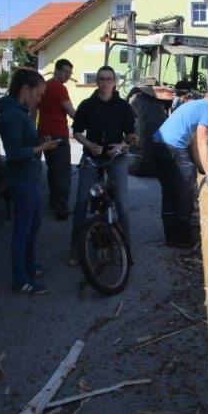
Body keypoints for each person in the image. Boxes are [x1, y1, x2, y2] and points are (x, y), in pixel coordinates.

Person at [0, 68, 58, 294]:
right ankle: (20, 279)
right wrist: (42, 147)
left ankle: (30, 266)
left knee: (34, 225)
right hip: (22, 180)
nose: (40, 99)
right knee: (23, 229)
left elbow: (24, 142)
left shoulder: (21, 111)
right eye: (38, 94)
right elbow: (13, 153)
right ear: (25, 90)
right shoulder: (13, 114)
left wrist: (39, 140)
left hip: (29, 178)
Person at [68, 65, 135, 266]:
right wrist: (88, 144)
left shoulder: (123, 106)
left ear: (115, 83)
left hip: (116, 159)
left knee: (122, 204)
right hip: (90, 159)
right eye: (101, 79)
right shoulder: (87, 105)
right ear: (96, 82)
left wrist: (121, 145)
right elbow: (77, 130)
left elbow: (132, 135)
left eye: (109, 79)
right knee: (81, 202)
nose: (105, 82)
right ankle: (75, 247)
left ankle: (126, 247)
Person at [151, 86, 208, 247]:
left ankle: (171, 237)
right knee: (185, 192)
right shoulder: (207, 112)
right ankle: (184, 239)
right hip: (173, 148)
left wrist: (201, 167)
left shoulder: (192, 104)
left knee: (169, 191)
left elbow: (192, 142)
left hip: (156, 146)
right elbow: (201, 142)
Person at [38, 58, 76, 219]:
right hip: (58, 134)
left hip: (44, 132)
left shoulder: (44, 85)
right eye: (65, 71)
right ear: (56, 70)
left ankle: (53, 202)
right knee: (62, 172)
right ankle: (61, 209)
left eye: (70, 72)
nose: (67, 75)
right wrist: (88, 122)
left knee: (53, 170)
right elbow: (70, 111)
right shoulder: (58, 87)